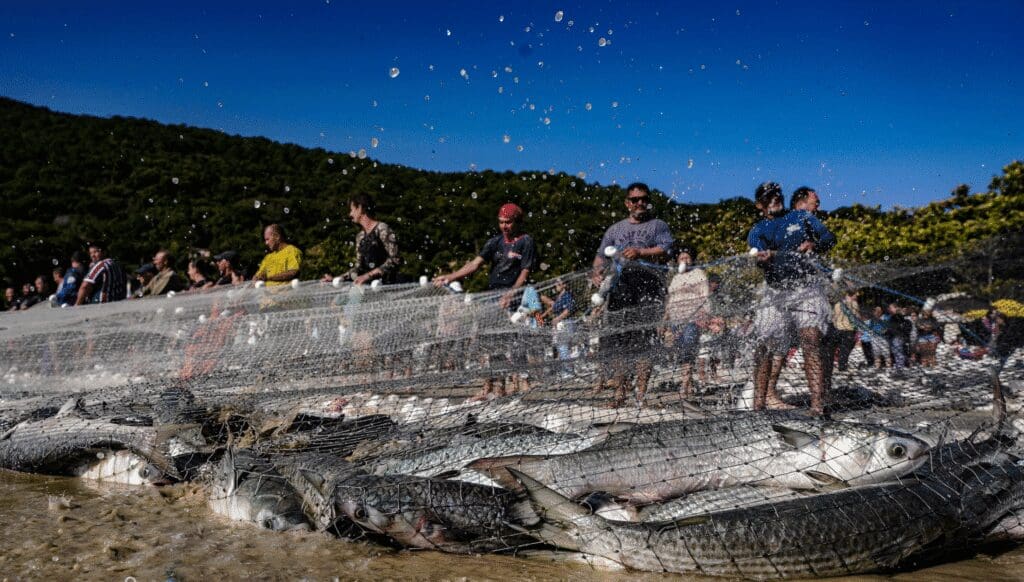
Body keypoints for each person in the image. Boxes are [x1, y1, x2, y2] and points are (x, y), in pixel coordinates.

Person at [747, 182, 836, 415]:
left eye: (777, 195)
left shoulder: (801, 216)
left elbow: (829, 237)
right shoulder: (757, 230)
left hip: (807, 286)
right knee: (764, 345)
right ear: (759, 204)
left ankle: (817, 406)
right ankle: (758, 406)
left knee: (811, 339)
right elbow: (756, 256)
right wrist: (762, 260)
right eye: (768, 197)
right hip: (775, 290)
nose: (774, 199)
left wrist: (814, 243)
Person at [434, 202, 538, 400]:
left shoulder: (526, 241)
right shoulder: (495, 242)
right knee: (489, 341)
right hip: (492, 296)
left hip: (513, 298)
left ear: (517, 222)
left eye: (508, 222)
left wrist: (512, 294)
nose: (504, 226)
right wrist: (450, 277)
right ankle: (493, 386)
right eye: (501, 222)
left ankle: (520, 381)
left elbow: (525, 271)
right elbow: (475, 264)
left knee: (512, 340)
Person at [590, 182, 674, 407]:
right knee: (618, 341)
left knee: (644, 342)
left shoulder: (658, 225)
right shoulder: (614, 229)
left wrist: (641, 252)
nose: (640, 203)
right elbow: (600, 256)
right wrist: (596, 272)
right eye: (635, 199)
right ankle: (619, 394)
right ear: (627, 203)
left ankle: (641, 395)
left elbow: (665, 250)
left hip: (648, 288)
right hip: (620, 289)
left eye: (644, 199)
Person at [322, 193, 402, 286]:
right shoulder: (360, 237)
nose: (350, 214)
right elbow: (358, 268)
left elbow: (395, 260)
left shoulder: (382, 229)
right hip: (367, 288)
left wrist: (368, 275)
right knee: (338, 300)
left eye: (352, 210)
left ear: (360, 208)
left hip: (388, 288)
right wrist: (338, 279)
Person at [664, 246, 710, 398]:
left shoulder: (699, 274)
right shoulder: (676, 278)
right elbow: (670, 300)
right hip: (676, 319)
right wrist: (665, 320)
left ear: (692, 259)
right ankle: (688, 382)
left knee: (689, 348)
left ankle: (685, 384)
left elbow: (705, 296)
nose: (684, 260)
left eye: (687, 257)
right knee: (681, 351)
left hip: (692, 318)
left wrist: (704, 315)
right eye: (681, 258)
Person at [542, 277, 576, 377]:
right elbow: (553, 307)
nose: (555, 285)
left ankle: (568, 372)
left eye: (557, 284)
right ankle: (565, 371)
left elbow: (568, 309)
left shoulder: (567, 295)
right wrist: (542, 316)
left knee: (563, 347)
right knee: (561, 348)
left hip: (566, 323)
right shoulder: (559, 297)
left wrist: (558, 319)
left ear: (564, 285)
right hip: (560, 324)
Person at [833, 290, 860, 372]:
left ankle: (837, 364)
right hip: (849, 330)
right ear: (851, 295)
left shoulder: (837, 304)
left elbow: (834, 317)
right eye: (855, 295)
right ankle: (842, 367)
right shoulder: (854, 304)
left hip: (838, 330)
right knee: (845, 349)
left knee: (839, 348)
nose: (856, 297)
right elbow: (857, 317)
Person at [885, 302, 911, 374]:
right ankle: (899, 368)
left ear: (895, 308)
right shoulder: (893, 316)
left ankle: (900, 368)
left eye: (891, 308)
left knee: (899, 352)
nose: (889, 309)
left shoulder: (898, 316)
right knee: (896, 352)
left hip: (898, 337)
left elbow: (900, 326)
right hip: (893, 337)